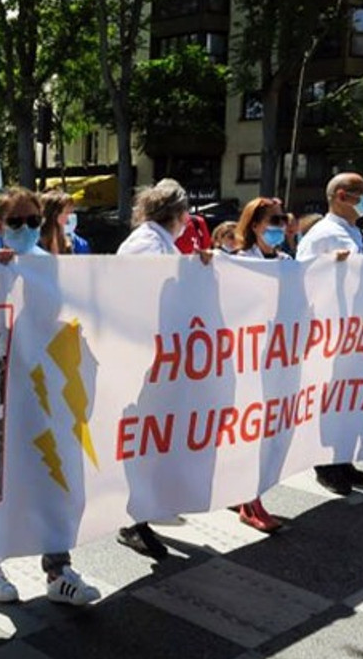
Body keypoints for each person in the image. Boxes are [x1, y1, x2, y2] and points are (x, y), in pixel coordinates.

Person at [0, 188, 103, 607]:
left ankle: (58, 570)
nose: (27, 229)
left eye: (34, 221)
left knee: (53, 474)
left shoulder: (52, 266)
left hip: (45, 388)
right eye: (16, 222)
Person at [115, 178, 208, 559]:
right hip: (144, 361)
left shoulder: (156, 242)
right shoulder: (147, 246)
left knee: (152, 440)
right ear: (181, 214)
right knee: (142, 442)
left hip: (154, 359)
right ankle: (132, 521)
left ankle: (141, 514)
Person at [294, 173, 363, 496]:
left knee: (348, 399)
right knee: (329, 401)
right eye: (362, 193)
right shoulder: (323, 235)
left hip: (359, 331)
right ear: (342, 195)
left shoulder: (358, 232)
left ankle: (343, 458)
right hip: (332, 332)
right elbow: (303, 281)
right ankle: (325, 464)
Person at [225, 197, 294, 533]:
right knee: (250, 434)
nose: (280, 226)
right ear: (254, 225)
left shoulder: (288, 262)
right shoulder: (238, 262)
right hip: (248, 363)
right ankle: (249, 502)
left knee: (270, 432)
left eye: (283, 220)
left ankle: (245, 494)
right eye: (273, 220)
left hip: (279, 361)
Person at [38, 190, 90, 255]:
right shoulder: (34, 243)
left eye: (72, 212)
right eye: (67, 212)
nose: (71, 216)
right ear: (53, 215)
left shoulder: (78, 244)